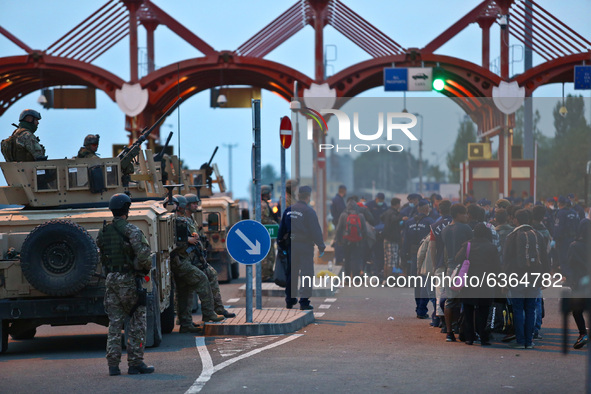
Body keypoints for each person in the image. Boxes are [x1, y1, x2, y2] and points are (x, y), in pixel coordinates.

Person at [97, 193, 155, 376]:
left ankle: (113, 365)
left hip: (111, 280)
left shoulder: (104, 231)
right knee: (137, 321)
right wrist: (142, 270)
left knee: (114, 323)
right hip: (129, 280)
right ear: (127, 210)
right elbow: (145, 257)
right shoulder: (132, 231)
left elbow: (101, 253)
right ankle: (135, 364)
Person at [170, 195, 224, 334]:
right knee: (202, 280)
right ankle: (209, 313)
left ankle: (185, 323)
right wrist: (188, 239)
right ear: (183, 206)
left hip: (184, 259)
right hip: (180, 260)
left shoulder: (183, 219)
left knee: (185, 292)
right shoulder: (175, 220)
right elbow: (172, 237)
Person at [503, 209, 550, 349]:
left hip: (517, 277)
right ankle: (529, 341)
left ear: (515, 220)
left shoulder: (511, 236)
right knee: (530, 309)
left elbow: (506, 261)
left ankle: (520, 340)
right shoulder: (538, 235)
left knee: (518, 309)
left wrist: (505, 281)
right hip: (534, 277)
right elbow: (545, 258)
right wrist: (545, 277)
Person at [184, 193, 235, 318]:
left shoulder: (191, 218)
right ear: (186, 205)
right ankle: (208, 313)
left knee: (211, 275)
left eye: (196, 203)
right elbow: (176, 236)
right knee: (199, 283)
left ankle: (218, 309)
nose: (196, 205)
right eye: (193, 203)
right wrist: (188, 239)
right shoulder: (181, 219)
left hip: (196, 258)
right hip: (188, 259)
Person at [454, 223, 500, 346]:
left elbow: (457, 259)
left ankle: (469, 338)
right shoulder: (491, 247)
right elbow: (497, 267)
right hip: (486, 282)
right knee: (483, 311)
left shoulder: (467, 245)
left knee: (468, 310)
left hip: (469, 281)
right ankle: (483, 337)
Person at [280, 186, 325, 310]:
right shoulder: (309, 211)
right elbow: (315, 230)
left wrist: (282, 246)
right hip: (305, 247)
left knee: (291, 273)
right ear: (308, 197)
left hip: (291, 246)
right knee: (306, 273)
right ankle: (304, 302)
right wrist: (321, 246)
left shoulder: (288, 210)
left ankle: (289, 300)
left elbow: (281, 230)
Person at [441, 203, 473, 342]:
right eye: (464, 213)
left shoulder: (445, 230)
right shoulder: (466, 228)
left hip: (451, 268)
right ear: (458, 215)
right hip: (465, 267)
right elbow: (471, 246)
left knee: (450, 300)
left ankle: (449, 332)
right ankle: (464, 331)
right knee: (466, 300)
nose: (466, 216)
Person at [402, 199, 434, 319]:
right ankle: (422, 309)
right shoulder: (430, 221)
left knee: (417, 283)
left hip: (412, 255)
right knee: (425, 282)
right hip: (425, 255)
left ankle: (418, 308)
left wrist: (404, 256)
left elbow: (405, 241)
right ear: (427, 209)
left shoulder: (409, 222)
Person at [567, 219, 591, 349]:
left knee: (577, 310)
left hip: (580, 281)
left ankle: (583, 333)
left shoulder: (575, 245)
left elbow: (570, 263)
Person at [336, 197, 368, 277]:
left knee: (347, 259)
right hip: (358, 241)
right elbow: (364, 230)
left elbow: (338, 229)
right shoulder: (360, 215)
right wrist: (362, 240)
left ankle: (347, 278)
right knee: (356, 259)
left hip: (346, 241)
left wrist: (339, 241)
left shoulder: (343, 215)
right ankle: (356, 278)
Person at [365, 192, 388, 276]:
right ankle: (369, 270)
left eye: (382, 200)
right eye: (379, 200)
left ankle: (378, 270)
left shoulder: (385, 206)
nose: (381, 202)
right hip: (371, 231)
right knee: (369, 252)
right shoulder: (370, 205)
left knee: (379, 252)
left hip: (380, 231)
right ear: (376, 199)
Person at [260, 185, 278, 282]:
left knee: (270, 255)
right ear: (265, 194)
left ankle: (268, 274)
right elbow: (263, 219)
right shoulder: (263, 205)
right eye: (269, 193)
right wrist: (275, 224)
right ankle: (266, 275)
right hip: (266, 233)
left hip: (267, 233)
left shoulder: (264, 204)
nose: (270, 195)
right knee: (268, 255)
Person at [381, 197, 403, 276]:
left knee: (386, 260)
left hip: (386, 238)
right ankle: (389, 279)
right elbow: (394, 219)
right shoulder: (393, 213)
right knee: (392, 261)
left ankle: (385, 278)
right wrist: (401, 218)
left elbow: (381, 217)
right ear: (397, 204)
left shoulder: (387, 211)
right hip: (392, 239)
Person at [331, 185, 347, 266]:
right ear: (343, 190)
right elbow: (342, 211)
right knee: (339, 241)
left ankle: (339, 259)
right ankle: (339, 259)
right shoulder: (338, 200)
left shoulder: (336, 199)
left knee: (338, 240)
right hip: (339, 223)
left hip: (337, 222)